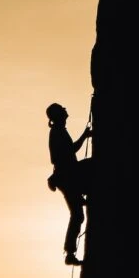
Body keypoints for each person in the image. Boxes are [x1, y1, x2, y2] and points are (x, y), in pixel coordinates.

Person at [45, 102, 93, 266]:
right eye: (63, 111)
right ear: (58, 116)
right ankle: (70, 253)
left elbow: (68, 152)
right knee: (78, 215)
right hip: (68, 177)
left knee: (77, 214)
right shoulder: (57, 133)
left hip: (68, 176)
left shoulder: (58, 131)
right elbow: (69, 151)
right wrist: (85, 136)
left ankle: (70, 252)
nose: (66, 112)